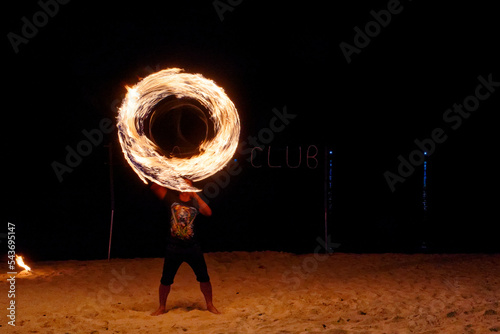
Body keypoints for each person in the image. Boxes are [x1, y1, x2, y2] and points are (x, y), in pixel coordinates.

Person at [150, 180, 220, 315]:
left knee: (204, 278)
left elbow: (208, 212)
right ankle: (162, 307)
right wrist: (167, 176)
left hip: (192, 247)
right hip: (173, 247)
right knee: (166, 280)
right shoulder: (171, 198)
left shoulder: (195, 202)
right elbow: (154, 187)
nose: (184, 186)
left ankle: (210, 305)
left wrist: (196, 196)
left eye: (187, 184)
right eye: (182, 183)